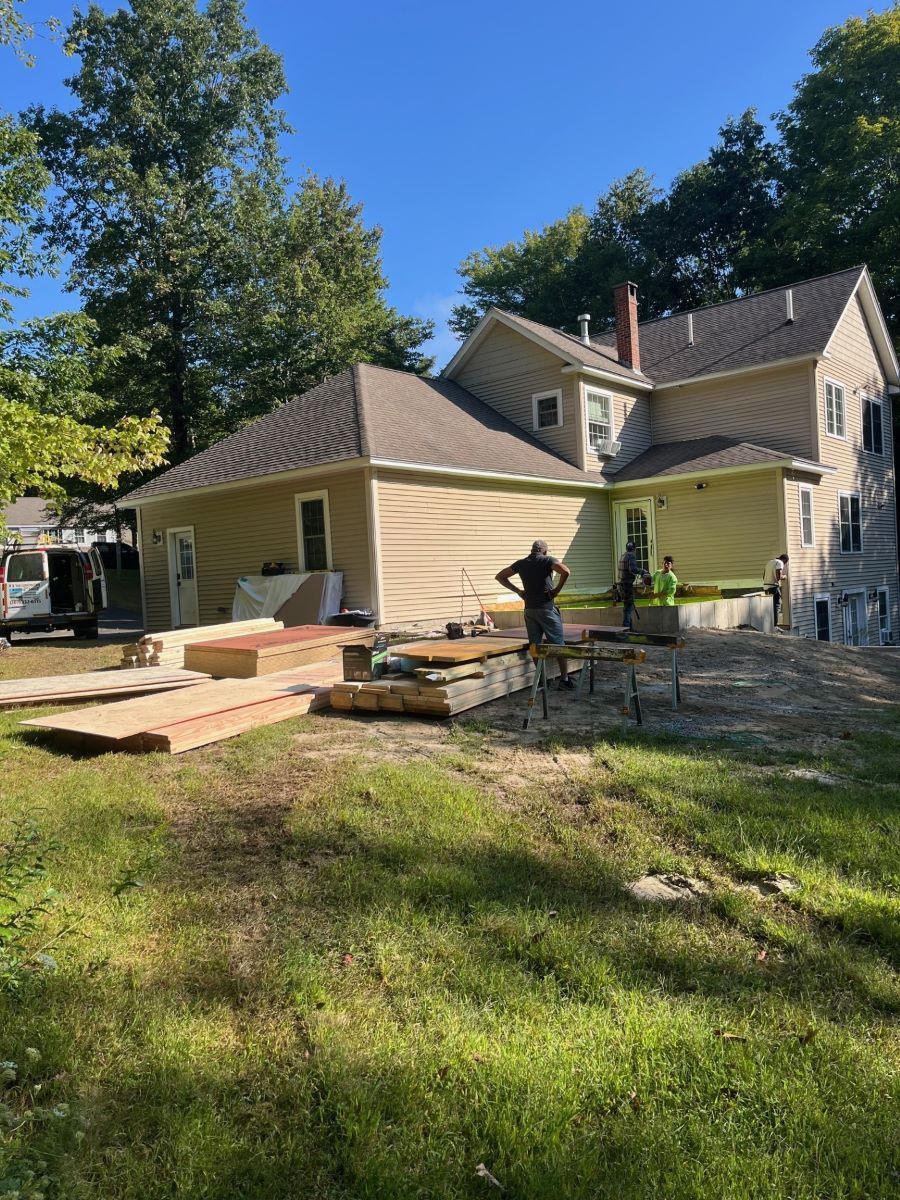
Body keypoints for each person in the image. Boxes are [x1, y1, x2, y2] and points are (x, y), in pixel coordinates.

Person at [496, 540, 574, 690]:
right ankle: (564, 680)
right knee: (558, 644)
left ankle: (542, 680)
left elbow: (500, 577)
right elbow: (565, 571)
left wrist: (518, 591)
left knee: (535, 645)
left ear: (532, 550)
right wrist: (556, 590)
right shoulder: (547, 560)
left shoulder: (522, 563)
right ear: (545, 551)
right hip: (546, 608)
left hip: (529, 610)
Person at [617, 540, 642, 629]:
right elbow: (633, 570)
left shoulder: (623, 555)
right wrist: (643, 572)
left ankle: (629, 628)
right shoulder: (631, 556)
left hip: (620, 585)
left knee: (627, 606)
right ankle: (626, 629)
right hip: (627, 585)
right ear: (634, 549)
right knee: (628, 608)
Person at [763, 552, 789, 626]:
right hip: (773, 587)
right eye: (785, 563)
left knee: (769, 607)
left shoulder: (769, 562)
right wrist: (784, 576)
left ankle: (770, 624)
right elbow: (778, 577)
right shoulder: (780, 563)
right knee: (777, 605)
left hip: (766, 587)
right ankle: (775, 625)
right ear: (785, 560)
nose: (784, 565)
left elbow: (763, 576)